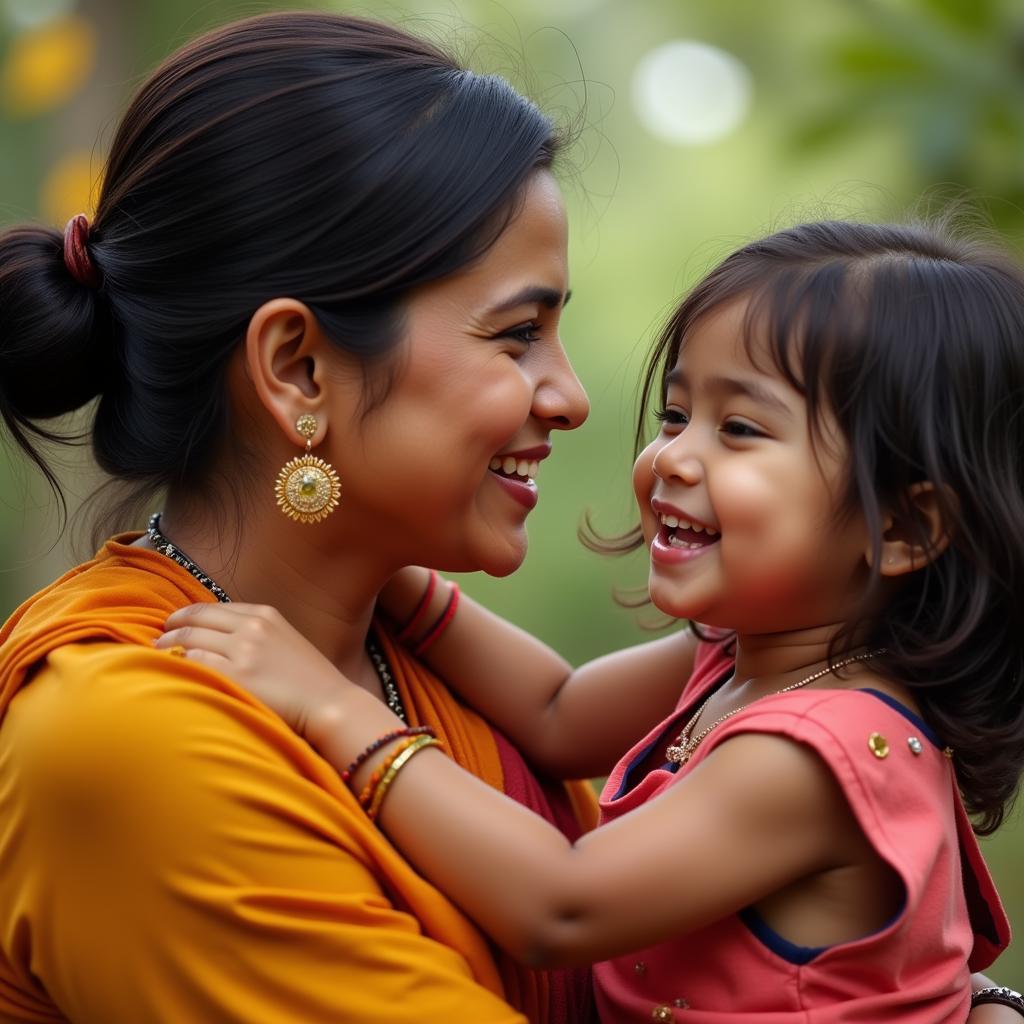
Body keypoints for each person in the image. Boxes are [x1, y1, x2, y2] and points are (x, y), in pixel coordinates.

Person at [0, 10, 686, 1022]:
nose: (571, 395)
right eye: (518, 334)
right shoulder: (124, 739)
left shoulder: (408, 650)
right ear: (298, 368)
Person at [162, 220, 1024, 1022]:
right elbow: (556, 713)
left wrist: (333, 708)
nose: (673, 458)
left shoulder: (817, 755)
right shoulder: (738, 658)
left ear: (906, 529)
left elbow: (561, 906)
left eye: (743, 428)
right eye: (678, 415)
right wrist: (393, 573)